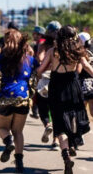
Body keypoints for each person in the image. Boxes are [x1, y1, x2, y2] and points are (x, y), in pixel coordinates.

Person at [37, 25, 92, 174]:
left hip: (57, 89)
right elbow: (87, 66)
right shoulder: (78, 51)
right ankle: (73, 143)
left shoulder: (52, 51)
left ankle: (66, 156)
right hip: (73, 87)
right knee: (74, 116)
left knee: (59, 123)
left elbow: (41, 70)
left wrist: (38, 74)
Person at [0, 29, 38, 173]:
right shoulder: (30, 59)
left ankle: (8, 142)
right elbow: (37, 74)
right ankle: (19, 163)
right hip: (23, 98)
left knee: (2, 128)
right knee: (18, 132)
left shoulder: (1, 58)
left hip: (5, 98)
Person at [35, 21, 62, 150]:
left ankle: (47, 124)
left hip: (45, 77)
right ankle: (56, 140)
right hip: (60, 77)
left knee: (42, 106)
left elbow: (40, 59)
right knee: (56, 109)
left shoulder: (43, 44)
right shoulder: (64, 45)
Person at [30, 26, 46, 119]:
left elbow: (39, 58)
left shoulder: (41, 43)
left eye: (34, 34)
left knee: (35, 89)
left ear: (39, 34)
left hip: (41, 70)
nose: (33, 35)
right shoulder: (46, 42)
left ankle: (36, 111)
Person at [77, 32, 93, 118]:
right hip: (92, 82)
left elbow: (79, 70)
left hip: (84, 83)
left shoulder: (82, 52)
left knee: (80, 111)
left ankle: (79, 129)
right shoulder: (91, 50)